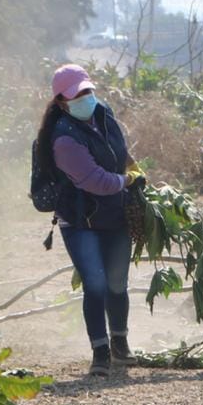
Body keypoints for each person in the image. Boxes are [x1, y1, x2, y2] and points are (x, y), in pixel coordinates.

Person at [35, 63, 142, 377]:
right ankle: (100, 352)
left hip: (115, 213)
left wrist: (135, 169)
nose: (85, 98)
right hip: (80, 220)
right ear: (61, 102)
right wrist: (128, 182)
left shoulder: (104, 115)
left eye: (87, 91)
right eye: (77, 95)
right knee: (95, 285)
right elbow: (96, 181)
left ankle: (120, 343)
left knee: (117, 283)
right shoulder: (63, 140)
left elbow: (121, 154)